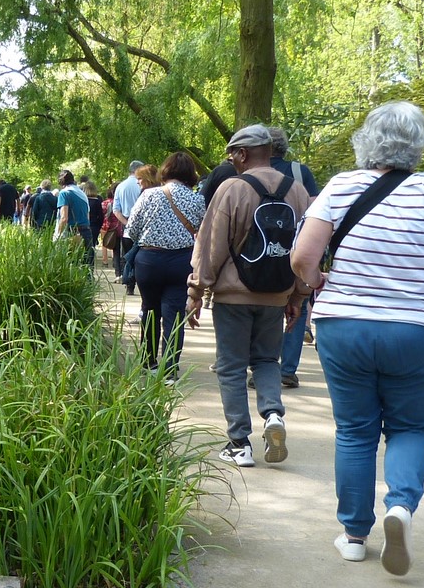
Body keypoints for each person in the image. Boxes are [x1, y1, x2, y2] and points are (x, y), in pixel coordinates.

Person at [289, 101, 424, 575]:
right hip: (419, 331)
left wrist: (317, 282)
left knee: (355, 430)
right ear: (419, 143)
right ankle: (401, 506)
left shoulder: (339, 186)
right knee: (410, 427)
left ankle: (354, 535)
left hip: (344, 326)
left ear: (366, 141)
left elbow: (302, 258)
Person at [186, 135, 311, 467]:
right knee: (268, 360)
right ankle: (273, 414)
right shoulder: (298, 192)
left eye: (231, 156)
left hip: (233, 295)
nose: (230, 161)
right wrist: (298, 295)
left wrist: (196, 292)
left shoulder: (231, 189)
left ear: (243, 154)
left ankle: (239, 443)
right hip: (276, 294)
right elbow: (306, 250)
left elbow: (211, 246)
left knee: (231, 366)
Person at [122, 152, 205, 381]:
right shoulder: (197, 200)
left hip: (149, 260)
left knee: (150, 309)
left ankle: (148, 362)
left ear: (165, 170)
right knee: (175, 314)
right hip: (181, 261)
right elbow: (203, 233)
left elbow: (131, 230)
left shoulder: (149, 195)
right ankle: (170, 369)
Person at [270, 126, 319, 389]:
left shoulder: (251, 173)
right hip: (296, 249)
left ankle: (265, 367)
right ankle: (287, 370)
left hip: (261, 253)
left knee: (266, 307)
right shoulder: (301, 172)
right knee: (297, 304)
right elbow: (316, 210)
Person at [197, 123, 272, 207]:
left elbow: (200, 206)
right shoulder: (285, 183)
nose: (232, 160)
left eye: (232, 155)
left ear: (243, 154)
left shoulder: (231, 187)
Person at [111, 161, 146, 285]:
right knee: (142, 256)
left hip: (126, 225)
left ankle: (129, 284)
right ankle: (141, 282)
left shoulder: (120, 186)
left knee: (128, 256)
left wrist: (127, 223)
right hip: (143, 226)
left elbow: (116, 210)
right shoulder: (144, 185)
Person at [54, 170, 91, 253]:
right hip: (86, 231)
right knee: (87, 260)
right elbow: (87, 216)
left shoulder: (64, 193)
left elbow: (64, 218)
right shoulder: (83, 194)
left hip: (72, 233)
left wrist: (58, 235)